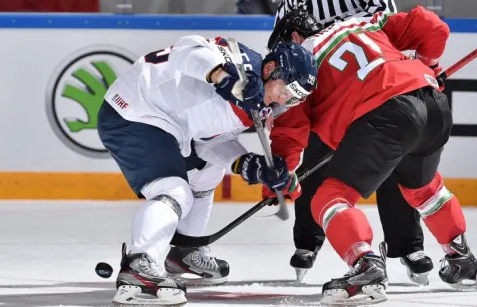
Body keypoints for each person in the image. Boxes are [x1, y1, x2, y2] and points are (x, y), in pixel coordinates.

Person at [263, 6, 477, 304]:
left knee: (329, 198)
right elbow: (434, 26)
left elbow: (289, 133)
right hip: (433, 104)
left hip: (385, 114)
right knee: (424, 189)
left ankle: (365, 268)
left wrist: (280, 179)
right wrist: (428, 65)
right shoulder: (365, 25)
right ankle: (463, 261)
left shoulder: (297, 62)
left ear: (294, 35)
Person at [97, 35, 318, 305]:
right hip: (135, 110)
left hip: (172, 125)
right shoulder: (241, 62)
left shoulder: (256, 107)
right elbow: (186, 48)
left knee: (208, 171)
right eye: (285, 90)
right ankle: (139, 266)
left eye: (293, 99)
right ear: (271, 70)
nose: (283, 101)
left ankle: (185, 250)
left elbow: (210, 141)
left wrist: (250, 164)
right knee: (173, 191)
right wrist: (222, 76)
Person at [271, 1, 433, 286]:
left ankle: (407, 244)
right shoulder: (292, 4)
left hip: (373, 85)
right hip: (330, 86)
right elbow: (285, 46)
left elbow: (392, 31)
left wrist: (419, 63)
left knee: (394, 161)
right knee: (314, 155)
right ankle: (308, 240)